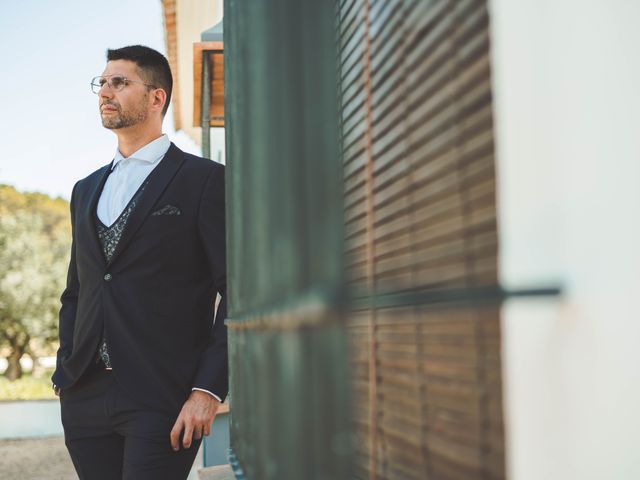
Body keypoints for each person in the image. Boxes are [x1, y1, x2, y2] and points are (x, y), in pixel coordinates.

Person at [51, 45, 227, 479]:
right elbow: (78, 291)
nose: (105, 92)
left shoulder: (204, 181)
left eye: (120, 82)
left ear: (156, 98)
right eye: (102, 83)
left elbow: (238, 290)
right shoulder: (85, 189)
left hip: (163, 396)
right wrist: (65, 368)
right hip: (86, 397)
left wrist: (207, 390)